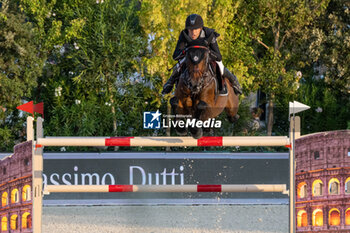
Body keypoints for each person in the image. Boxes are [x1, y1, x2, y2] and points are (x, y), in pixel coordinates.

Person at [161, 14, 242, 96]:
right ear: (187, 29)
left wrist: (207, 52)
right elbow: (175, 56)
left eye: (196, 29)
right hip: (190, 58)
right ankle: (170, 83)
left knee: (220, 66)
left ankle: (234, 81)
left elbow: (218, 56)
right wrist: (185, 51)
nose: (193, 32)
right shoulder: (184, 35)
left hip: (207, 57)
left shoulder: (209, 34)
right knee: (177, 66)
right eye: (190, 29)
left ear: (201, 28)